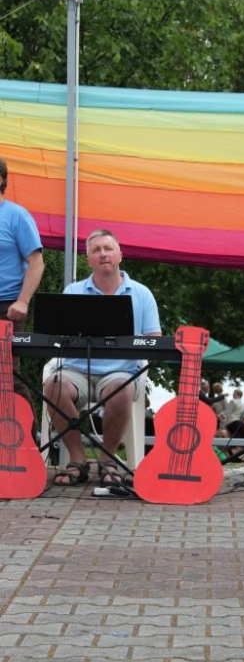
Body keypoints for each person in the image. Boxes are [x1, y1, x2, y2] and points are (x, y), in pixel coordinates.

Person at [43, 229, 161, 486]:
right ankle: (77, 461)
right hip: (75, 371)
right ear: (89, 260)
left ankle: (108, 461)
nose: (103, 254)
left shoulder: (142, 293)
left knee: (121, 388)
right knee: (52, 384)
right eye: (96, 250)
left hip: (121, 372)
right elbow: (56, 336)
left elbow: (154, 340)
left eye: (108, 249)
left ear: (120, 255)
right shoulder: (73, 291)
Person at [0, 157, 44, 426]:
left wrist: (23, 301)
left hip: (6, 307)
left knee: (6, 377)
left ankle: (29, 438)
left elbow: (36, 262)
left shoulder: (16, 215)